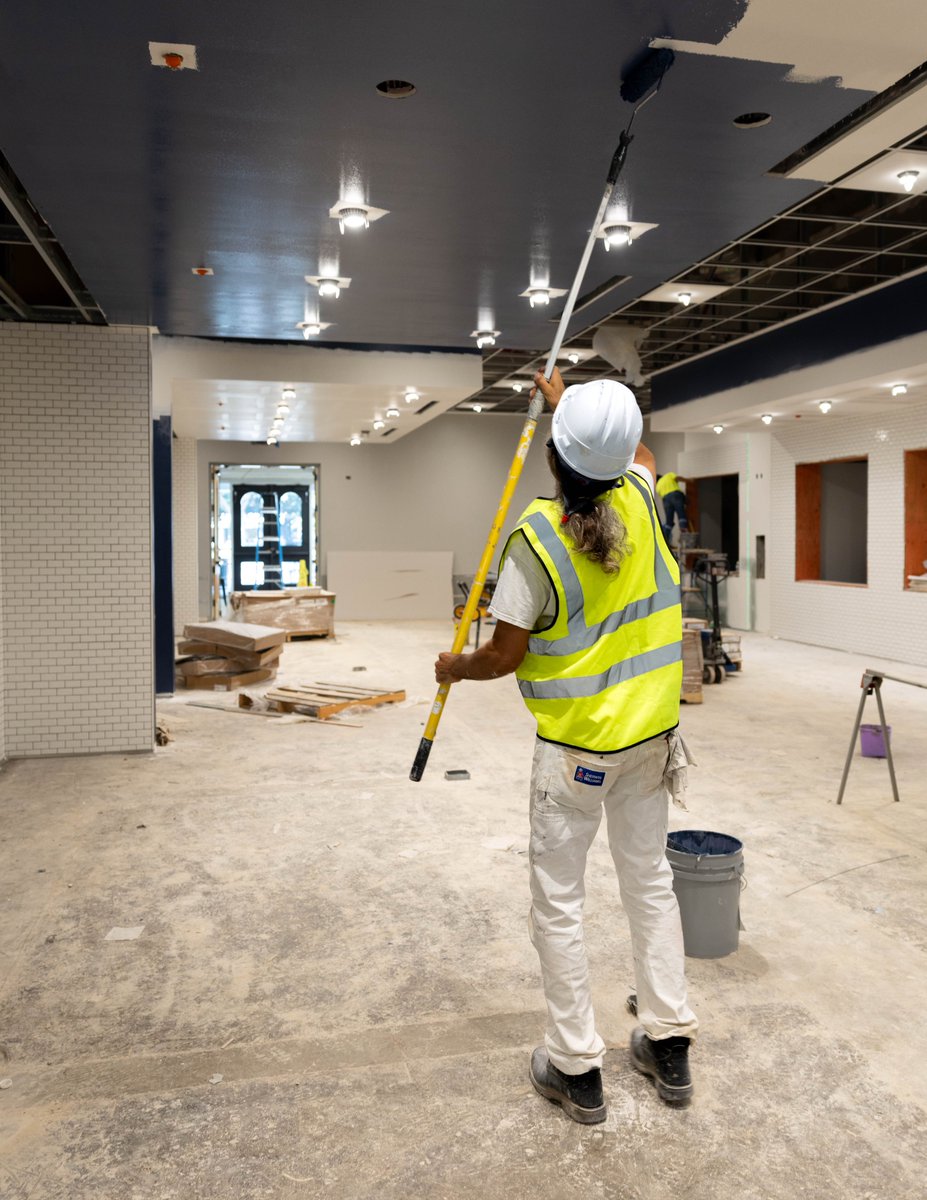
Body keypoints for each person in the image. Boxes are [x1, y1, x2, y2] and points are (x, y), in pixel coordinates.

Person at [434, 367, 697, 1124]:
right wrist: (572, 408)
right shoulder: (644, 500)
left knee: (559, 903)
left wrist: (455, 666)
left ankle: (577, 1066)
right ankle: (667, 1038)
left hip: (577, 754)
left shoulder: (535, 541)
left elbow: (503, 655)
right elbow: (635, 454)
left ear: (554, 454)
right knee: (648, 883)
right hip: (650, 741)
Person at [656, 470, 689, 545]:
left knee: (669, 521)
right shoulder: (668, 475)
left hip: (665, 500)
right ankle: (683, 528)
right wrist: (688, 480)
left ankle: (666, 539)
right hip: (675, 495)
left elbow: (662, 497)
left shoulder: (657, 486)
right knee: (680, 512)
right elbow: (677, 478)